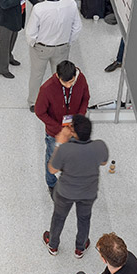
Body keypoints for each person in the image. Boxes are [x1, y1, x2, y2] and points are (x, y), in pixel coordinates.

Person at [44, 114, 107, 256]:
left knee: (59, 217)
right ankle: (80, 247)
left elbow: (52, 169)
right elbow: (103, 162)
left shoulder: (65, 150)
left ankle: (53, 245)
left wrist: (59, 143)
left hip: (65, 192)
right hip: (88, 192)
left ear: (74, 133)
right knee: (84, 219)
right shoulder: (99, 146)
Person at [26, 0, 82, 110]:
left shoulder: (39, 8)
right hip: (62, 47)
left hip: (41, 48)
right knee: (59, 77)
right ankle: (57, 102)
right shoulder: (71, 4)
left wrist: (33, 43)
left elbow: (31, 32)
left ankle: (34, 102)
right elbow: (77, 27)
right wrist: (68, 41)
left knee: (36, 75)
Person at [34, 59, 90, 193]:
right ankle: (52, 184)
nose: (69, 86)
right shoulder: (47, 89)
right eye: (66, 83)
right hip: (55, 134)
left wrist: (80, 117)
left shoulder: (80, 79)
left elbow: (85, 98)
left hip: (75, 130)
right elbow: (40, 112)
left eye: (72, 82)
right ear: (58, 76)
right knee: (52, 159)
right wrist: (60, 128)